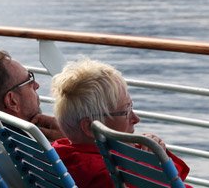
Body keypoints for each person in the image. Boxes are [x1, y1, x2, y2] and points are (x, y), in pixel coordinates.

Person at [50, 59, 190, 188]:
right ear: (89, 128)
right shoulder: (111, 174)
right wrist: (157, 157)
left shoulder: (59, 155)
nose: (136, 118)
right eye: (125, 111)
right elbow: (174, 180)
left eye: (131, 107)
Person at [0, 50, 64, 188]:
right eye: (29, 80)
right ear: (12, 101)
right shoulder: (27, 157)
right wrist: (67, 142)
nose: (37, 85)